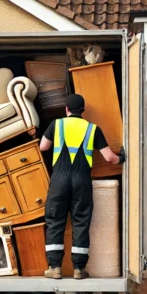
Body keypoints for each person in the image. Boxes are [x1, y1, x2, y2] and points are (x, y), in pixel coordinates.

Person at [38, 94, 125, 279]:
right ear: (82, 111)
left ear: (67, 109)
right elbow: (110, 158)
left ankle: (55, 268)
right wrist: (122, 157)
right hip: (82, 181)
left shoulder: (57, 125)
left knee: (55, 221)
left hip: (59, 181)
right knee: (81, 223)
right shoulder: (93, 129)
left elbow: (43, 147)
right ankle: (78, 269)